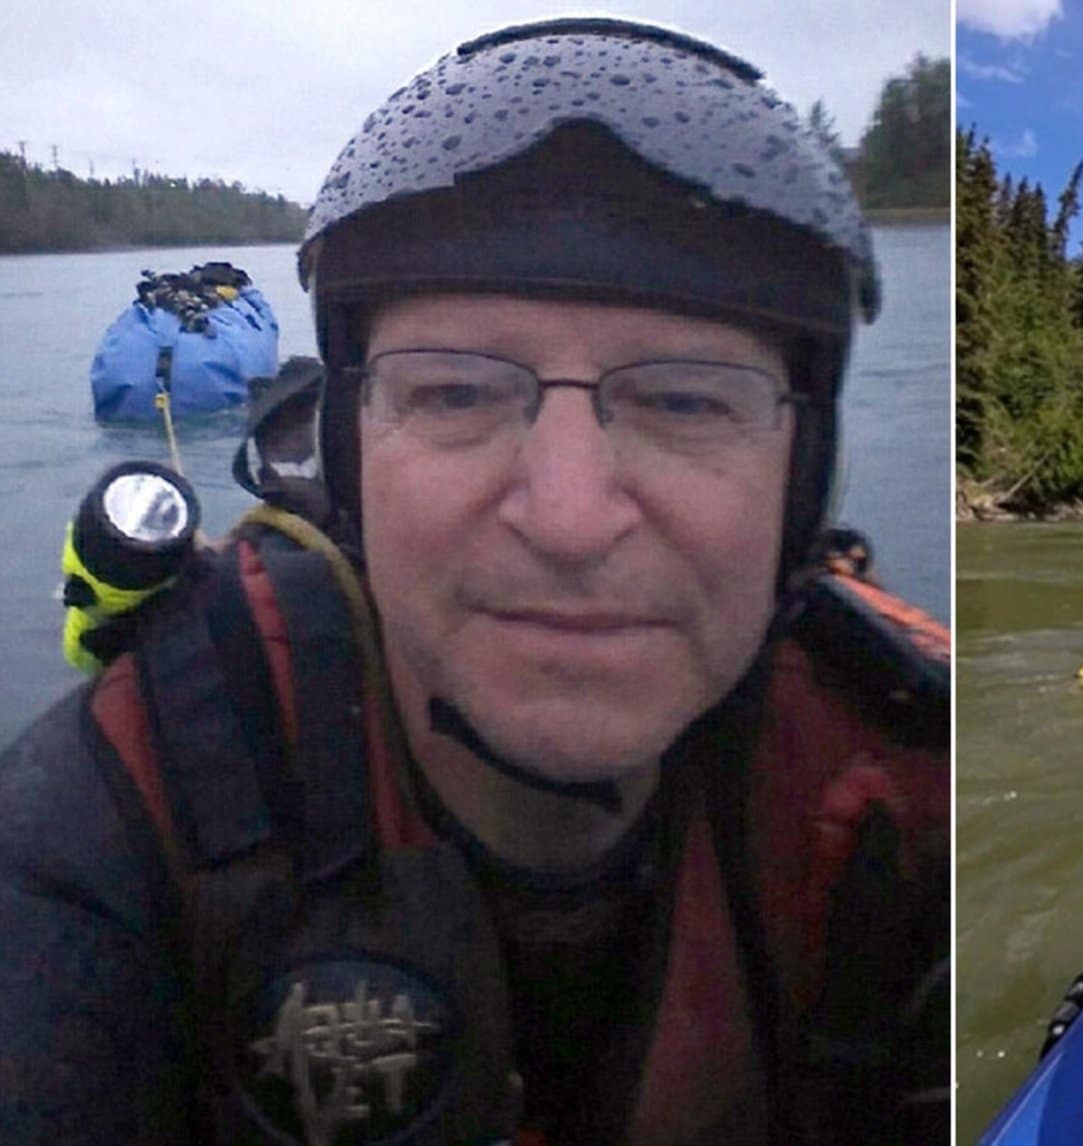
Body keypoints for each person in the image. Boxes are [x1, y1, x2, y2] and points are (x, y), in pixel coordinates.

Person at [0, 18, 947, 1146]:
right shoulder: (131, 802)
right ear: (348, 450)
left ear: (805, 477)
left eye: (686, 401)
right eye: (453, 393)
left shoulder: (898, 774)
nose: (569, 517)